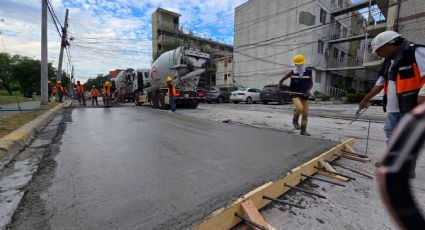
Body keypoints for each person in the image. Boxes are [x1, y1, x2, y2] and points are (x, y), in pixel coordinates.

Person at [359, 31, 425, 140]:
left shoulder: (415, 52)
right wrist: (365, 99)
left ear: (388, 45)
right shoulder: (388, 62)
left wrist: (423, 92)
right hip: (393, 108)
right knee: (390, 132)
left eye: (378, 51)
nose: (378, 55)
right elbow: (380, 83)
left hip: (411, 107)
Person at [278, 54, 313, 135]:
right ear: (295, 64)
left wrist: (308, 90)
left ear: (303, 63)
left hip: (304, 94)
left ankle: (303, 131)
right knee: (299, 108)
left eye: (300, 64)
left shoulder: (308, 72)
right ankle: (295, 120)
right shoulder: (292, 72)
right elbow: (281, 81)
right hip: (294, 94)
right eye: (297, 64)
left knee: (305, 113)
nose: (299, 65)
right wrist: (279, 88)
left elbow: (311, 83)